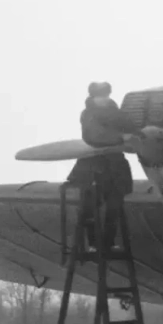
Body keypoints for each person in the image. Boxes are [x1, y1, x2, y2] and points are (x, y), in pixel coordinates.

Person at [67, 82, 142, 250]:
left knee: (114, 206)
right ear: (93, 97)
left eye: (105, 95)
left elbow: (134, 131)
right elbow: (94, 136)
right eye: (99, 96)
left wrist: (140, 136)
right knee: (90, 207)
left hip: (115, 166)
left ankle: (109, 242)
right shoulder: (88, 114)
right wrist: (122, 137)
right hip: (92, 166)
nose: (103, 99)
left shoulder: (118, 114)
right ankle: (93, 243)